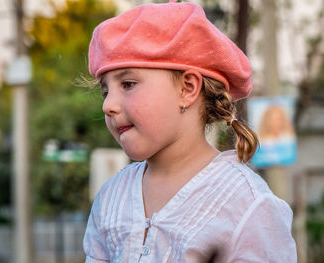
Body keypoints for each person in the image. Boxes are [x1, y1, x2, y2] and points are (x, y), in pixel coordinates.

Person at [83, 1, 297, 262]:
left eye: (128, 84)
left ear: (187, 88)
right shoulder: (110, 198)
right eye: (105, 91)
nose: (108, 105)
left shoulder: (246, 204)